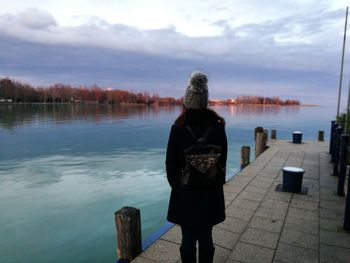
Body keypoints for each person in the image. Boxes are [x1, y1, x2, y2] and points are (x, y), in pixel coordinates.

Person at [165, 71, 227, 263]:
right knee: (206, 237)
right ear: (205, 100)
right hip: (210, 192)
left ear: (187, 100)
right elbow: (223, 160)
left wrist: (177, 184)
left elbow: (170, 163)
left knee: (187, 239)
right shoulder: (217, 127)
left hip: (186, 193)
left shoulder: (178, 128)